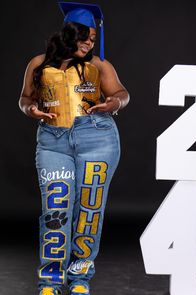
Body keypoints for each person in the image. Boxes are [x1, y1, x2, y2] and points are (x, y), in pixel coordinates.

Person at [18, 2, 130, 295]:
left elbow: (122, 93)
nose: (90, 42)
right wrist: (32, 111)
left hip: (97, 138)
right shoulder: (38, 64)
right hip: (53, 141)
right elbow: (25, 99)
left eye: (94, 38)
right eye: (85, 36)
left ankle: (80, 278)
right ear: (69, 33)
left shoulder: (100, 66)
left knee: (90, 209)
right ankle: (50, 281)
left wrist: (114, 103)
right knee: (56, 208)